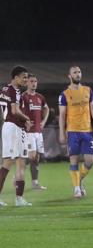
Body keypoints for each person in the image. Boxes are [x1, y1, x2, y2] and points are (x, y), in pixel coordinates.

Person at [59, 66, 93, 198]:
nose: (77, 74)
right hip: (72, 131)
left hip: (87, 131)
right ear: (69, 76)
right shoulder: (64, 94)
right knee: (74, 160)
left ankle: (80, 180)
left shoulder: (88, 90)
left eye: (79, 72)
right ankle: (77, 188)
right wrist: (61, 132)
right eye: (75, 73)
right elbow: (62, 115)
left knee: (90, 161)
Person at [0, 66, 33, 206]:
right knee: (8, 163)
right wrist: (27, 119)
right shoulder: (15, 91)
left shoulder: (4, 89)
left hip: (10, 127)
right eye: (24, 77)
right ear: (16, 77)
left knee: (21, 163)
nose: (26, 80)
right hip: (13, 128)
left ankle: (19, 199)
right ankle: (18, 199)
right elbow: (14, 110)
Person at [21, 74, 49, 190]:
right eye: (31, 81)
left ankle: (35, 182)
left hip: (38, 132)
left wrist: (43, 122)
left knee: (36, 158)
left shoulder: (40, 97)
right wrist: (25, 122)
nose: (34, 83)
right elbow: (17, 111)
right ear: (27, 83)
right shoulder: (23, 97)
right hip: (28, 132)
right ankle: (18, 174)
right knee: (31, 156)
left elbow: (46, 108)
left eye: (35, 81)